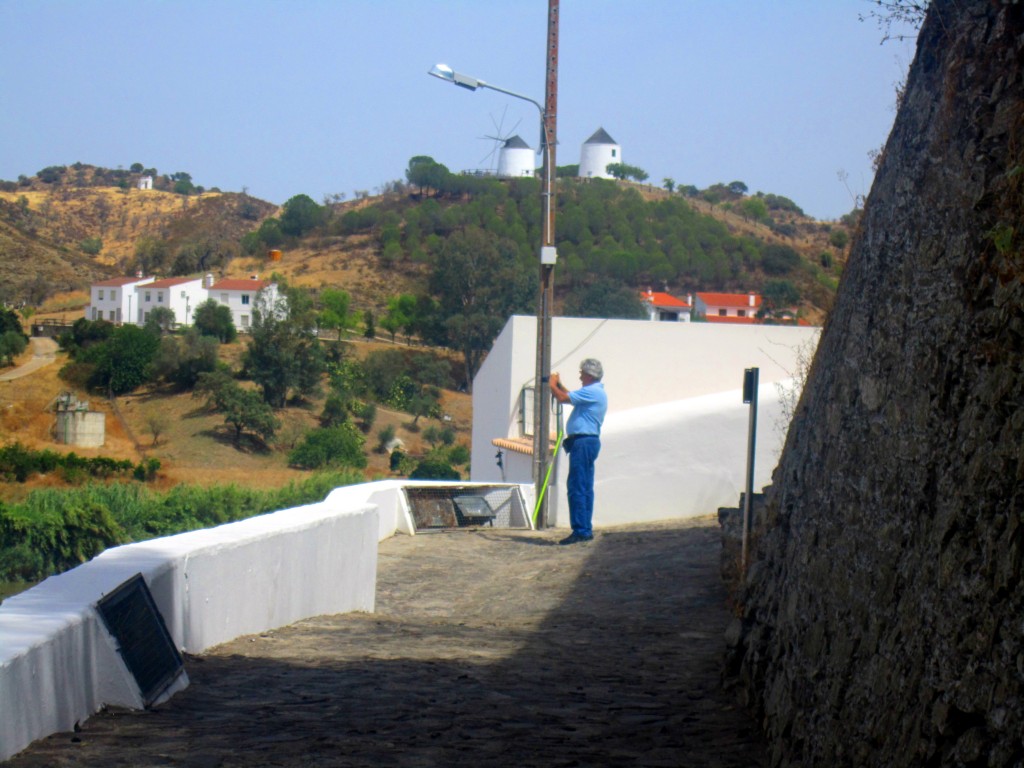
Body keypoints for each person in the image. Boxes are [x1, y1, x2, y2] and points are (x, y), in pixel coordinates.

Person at [549, 358, 607, 545]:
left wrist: (551, 385)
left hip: (582, 442)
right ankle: (584, 528)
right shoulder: (595, 392)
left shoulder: (592, 392)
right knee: (584, 486)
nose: (580, 375)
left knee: (577, 487)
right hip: (587, 442)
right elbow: (570, 395)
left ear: (589, 375)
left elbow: (562, 398)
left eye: (582, 372)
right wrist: (559, 385)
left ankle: (580, 530)